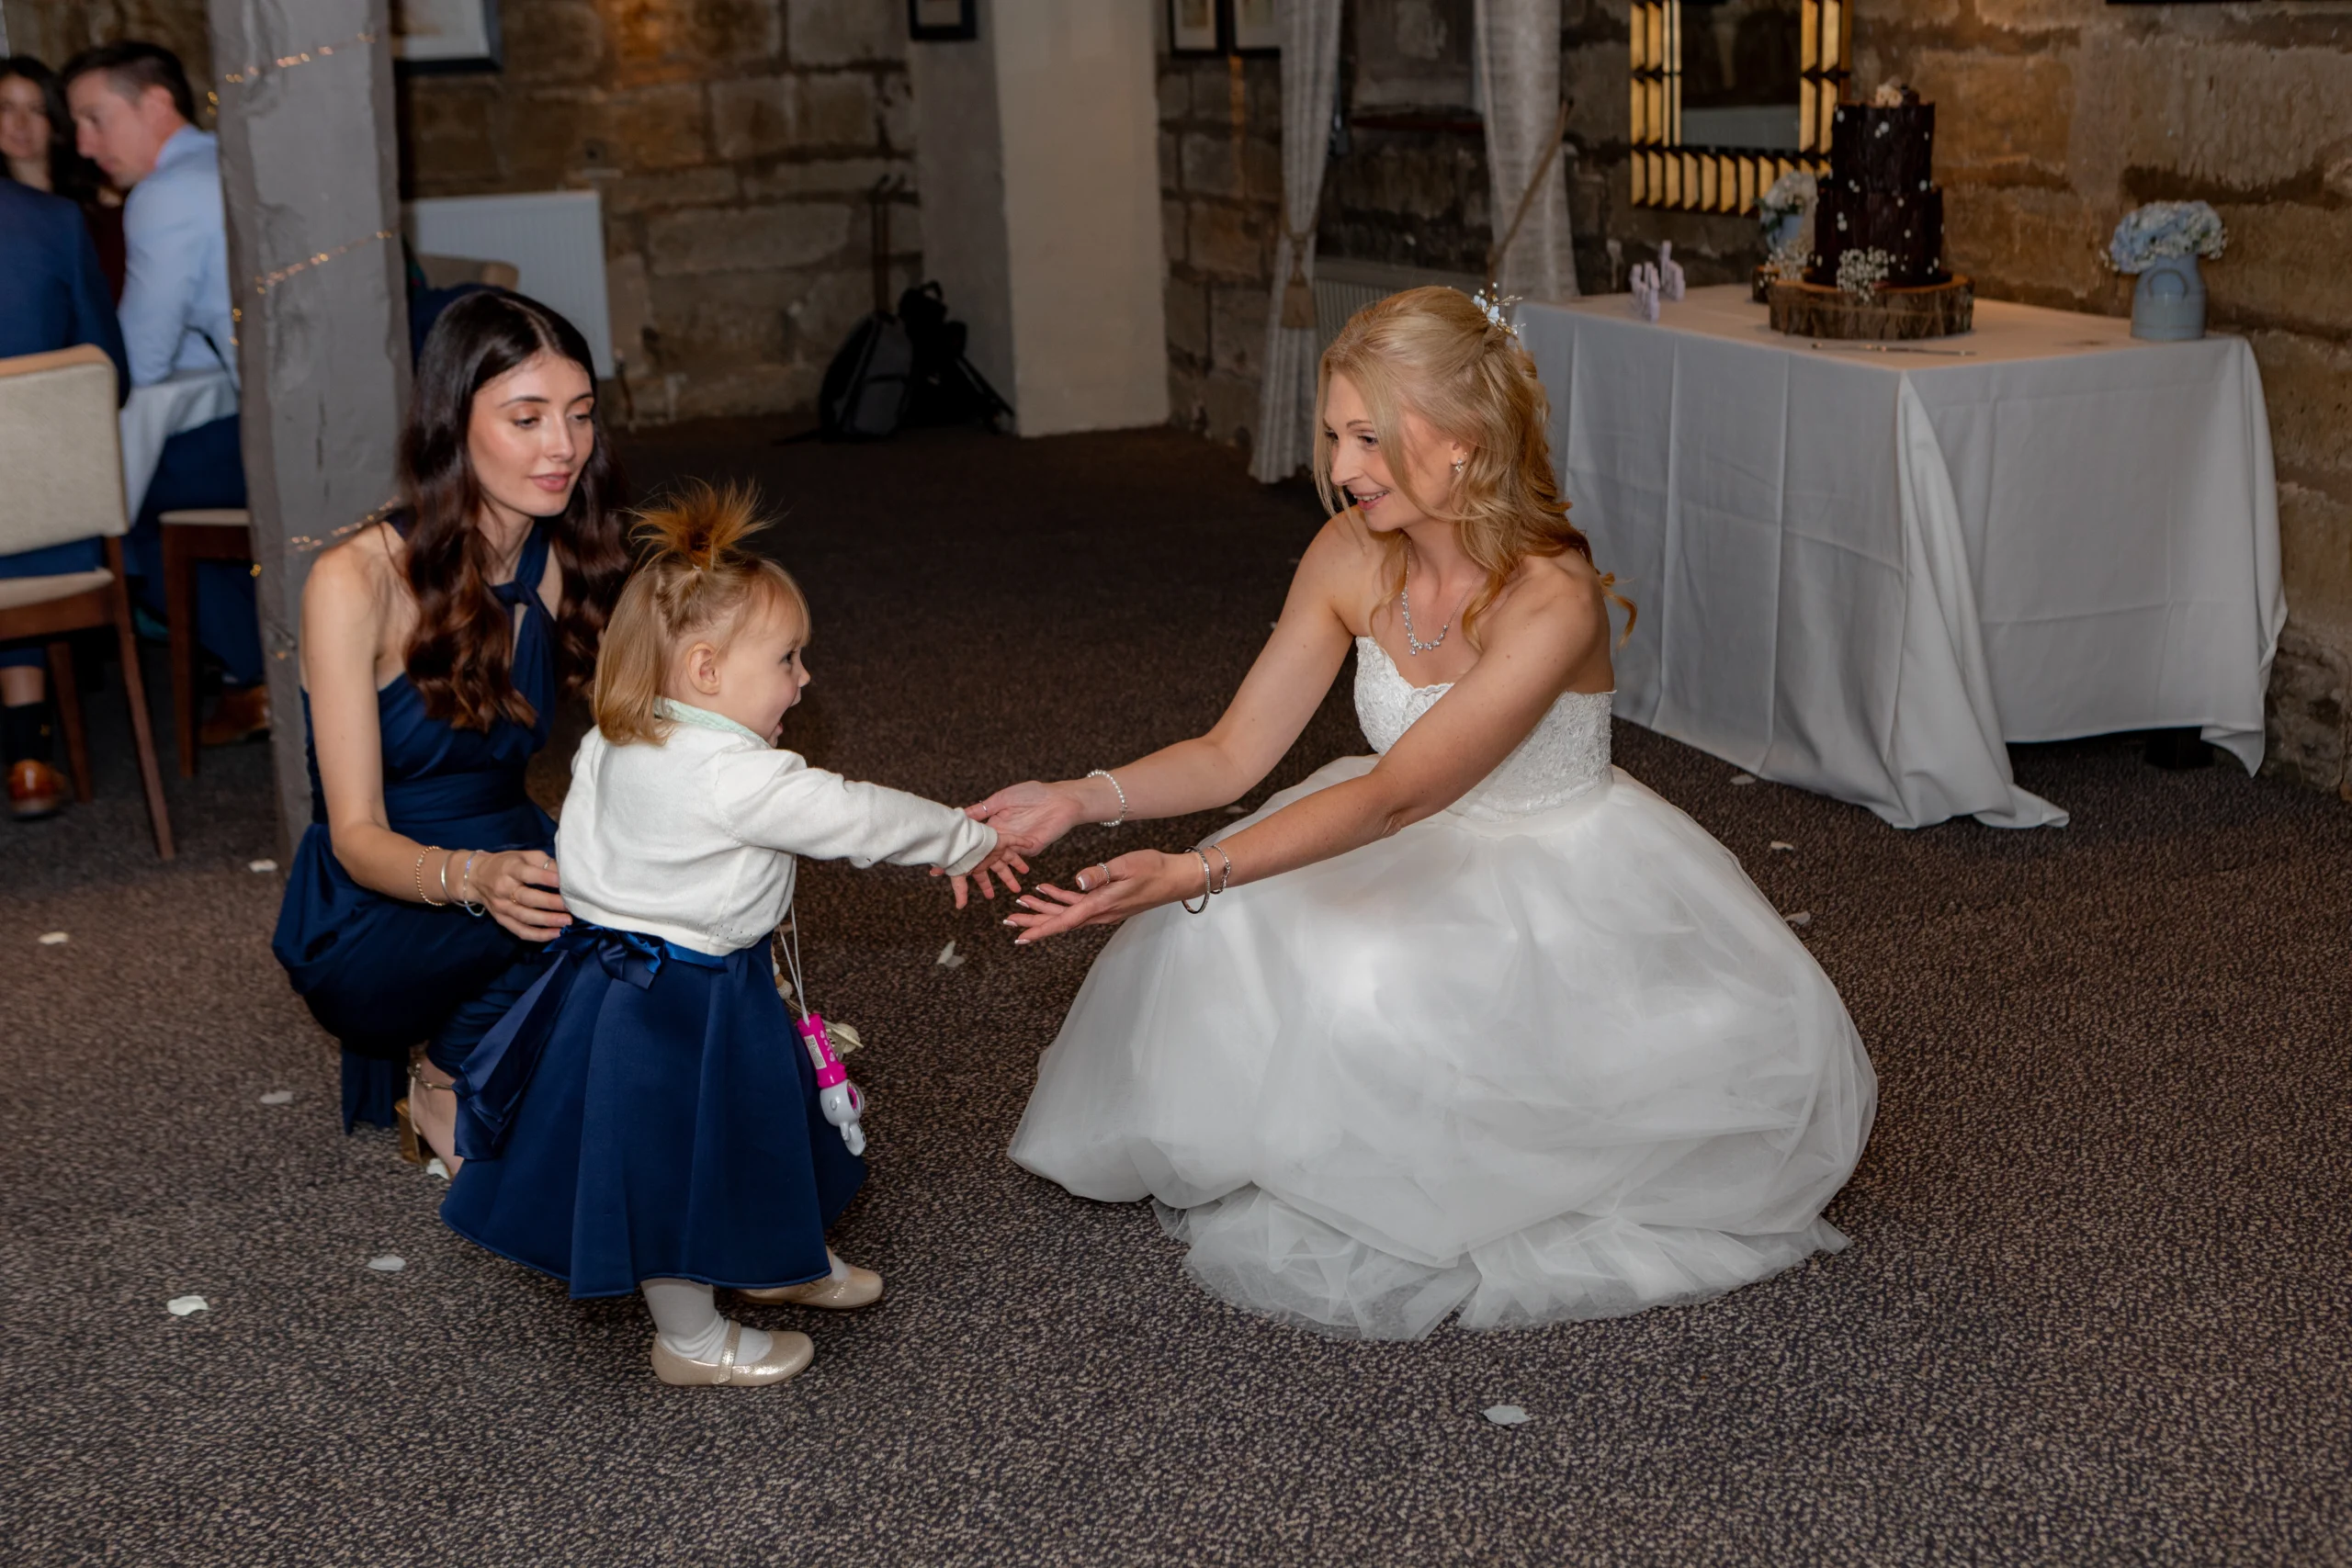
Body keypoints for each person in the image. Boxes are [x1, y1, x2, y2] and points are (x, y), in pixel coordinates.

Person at [978, 288, 1878, 1341]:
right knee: (1229, 930)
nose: (1343, 466)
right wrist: (1082, 797)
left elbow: (1398, 794)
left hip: (1546, 871)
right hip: (1388, 829)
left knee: (1347, 966)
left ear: (1462, 441)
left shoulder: (1549, 596)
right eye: (1333, 436)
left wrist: (1191, 872)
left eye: (1369, 437)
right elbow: (1232, 754)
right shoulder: (1347, 554)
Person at [440, 486, 1032, 1388]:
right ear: (707, 671)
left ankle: (772, 1257)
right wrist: (965, 838)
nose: (804, 678)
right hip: (679, 1004)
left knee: (752, 1124)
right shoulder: (735, 777)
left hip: (623, 985)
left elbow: (578, 848)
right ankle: (687, 1340)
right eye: (788, 658)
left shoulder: (612, 739)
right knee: (677, 1161)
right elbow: (858, 816)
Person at [271, 291, 629, 1154]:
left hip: (517, 856)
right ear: (453, 427)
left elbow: (646, 724)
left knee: (644, 907)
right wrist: (476, 878)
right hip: (377, 898)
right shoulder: (354, 580)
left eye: (580, 414)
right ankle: (440, 1084)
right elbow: (354, 834)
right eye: (527, 418)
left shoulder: (566, 554)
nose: (563, 446)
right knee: (586, 918)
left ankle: (478, 1058)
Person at [62, 41, 261, 745]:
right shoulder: (235, 161)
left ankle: (254, 674)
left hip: (278, 443)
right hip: (335, 416)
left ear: (155, 104)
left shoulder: (164, 193)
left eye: (95, 119)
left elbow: (138, 361)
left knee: (122, 504)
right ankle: (258, 666)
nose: (85, 146)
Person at [0, 171, 130, 819]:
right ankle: (28, 755)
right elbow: (110, 374)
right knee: (22, 496)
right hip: (51, 534)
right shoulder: (52, 221)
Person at [1, 55, 125, 295]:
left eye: (36, 110)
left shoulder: (97, 199)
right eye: (6, 108)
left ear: (55, 118)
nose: (21, 124)